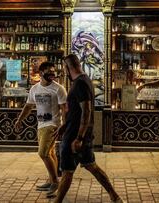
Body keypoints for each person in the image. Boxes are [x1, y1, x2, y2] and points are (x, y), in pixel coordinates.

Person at [53, 54, 123, 203]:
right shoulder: (81, 81)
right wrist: (64, 125)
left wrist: (79, 138)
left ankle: (57, 201)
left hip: (75, 136)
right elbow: (77, 111)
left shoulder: (80, 83)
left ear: (67, 67)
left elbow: (86, 111)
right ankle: (114, 196)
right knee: (91, 166)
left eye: (65, 68)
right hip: (74, 131)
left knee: (67, 171)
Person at [14, 61, 67, 198]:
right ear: (41, 73)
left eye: (53, 71)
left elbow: (64, 109)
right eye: (49, 71)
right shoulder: (34, 89)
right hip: (41, 124)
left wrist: (64, 124)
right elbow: (28, 106)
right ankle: (51, 179)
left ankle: (55, 182)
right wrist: (20, 120)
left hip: (52, 124)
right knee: (50, 153)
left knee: (43, 153)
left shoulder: (58, 88)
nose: (52, 74)